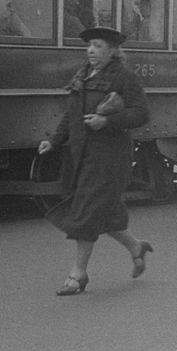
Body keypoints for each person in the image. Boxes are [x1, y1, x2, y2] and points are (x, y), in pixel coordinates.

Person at [37, 27, 153, 295]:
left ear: (113, 51)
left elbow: (141, 114)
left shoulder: (124, 78)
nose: (91, 50)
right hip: (82, 154)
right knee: (104, 213)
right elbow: (72, 114)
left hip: (110, 158)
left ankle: (78, 274)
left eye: (98, 45)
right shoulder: (82, 76)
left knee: (87, 212)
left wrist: (107, 121)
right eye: (89, 45)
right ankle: (136, 247)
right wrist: (54, 140)